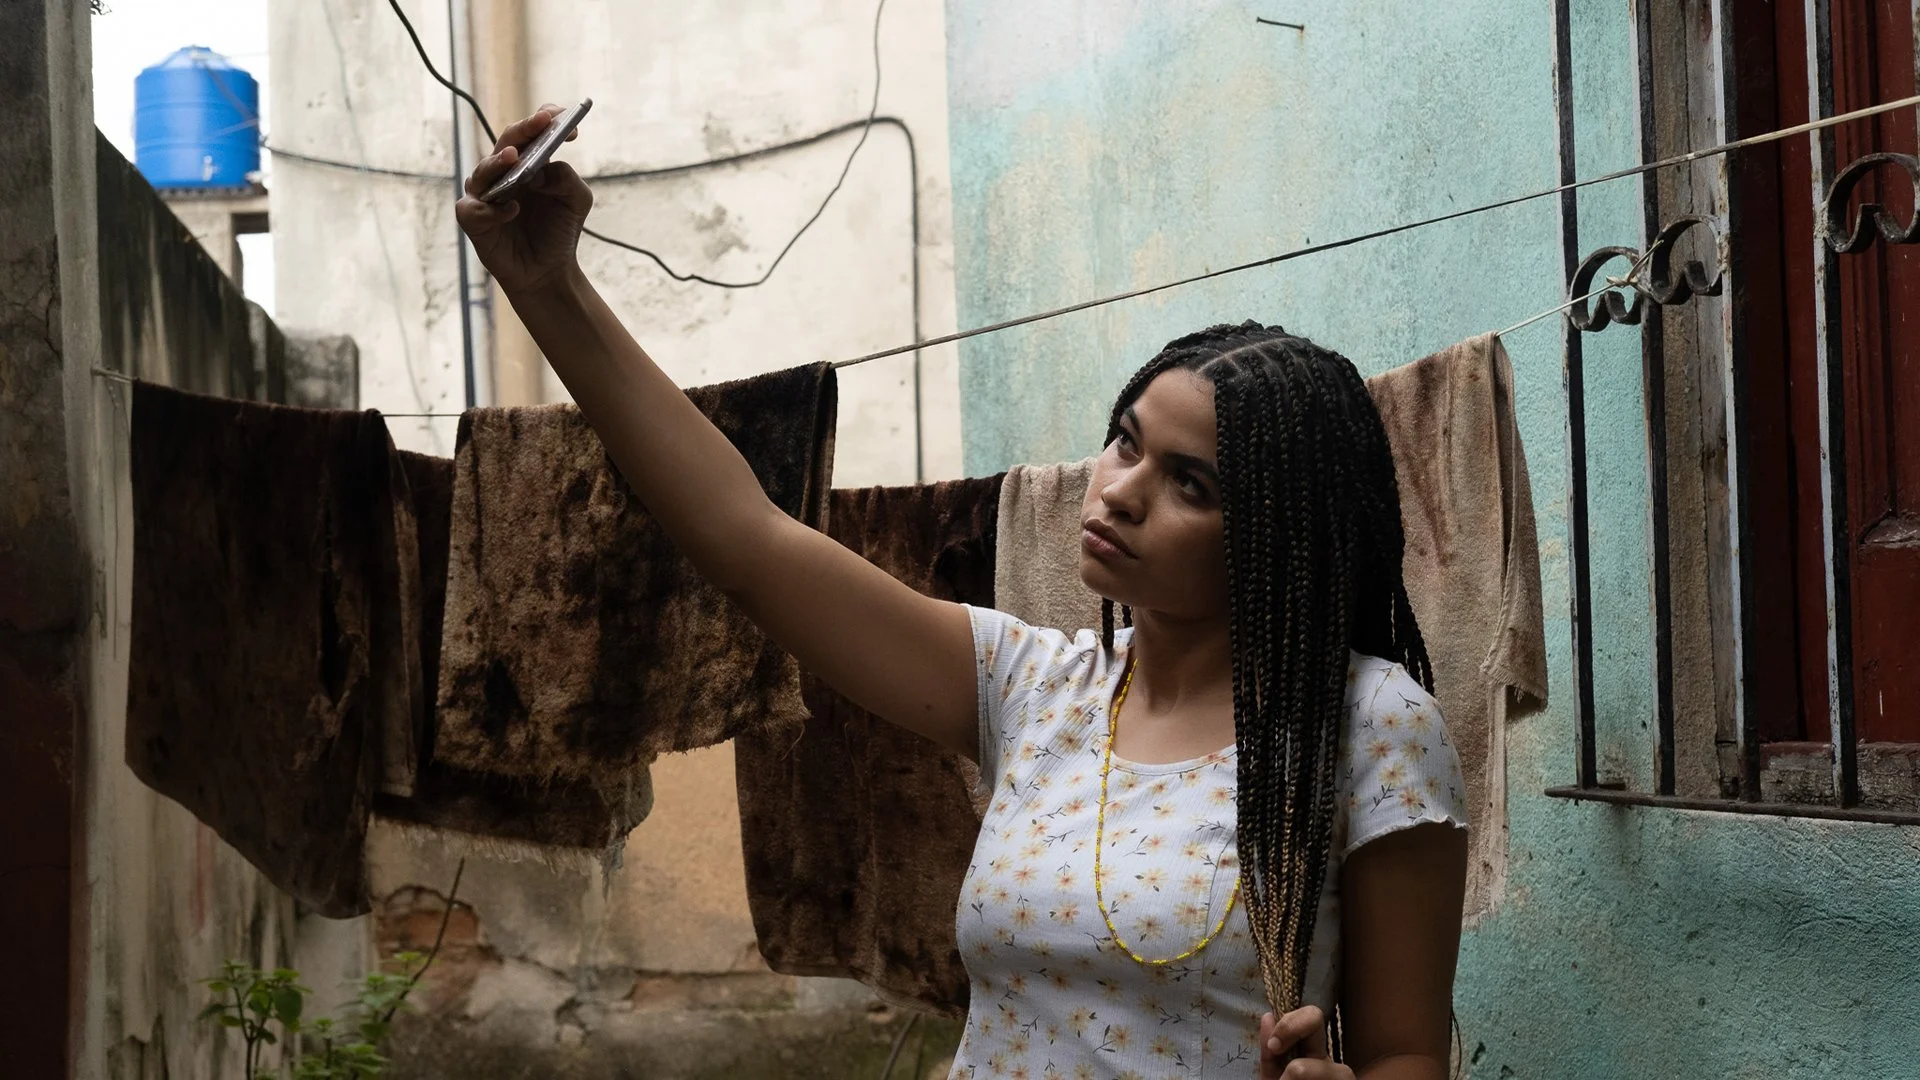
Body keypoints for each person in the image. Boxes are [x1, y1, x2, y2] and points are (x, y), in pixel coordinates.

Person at [456, 106, 1469, 1080]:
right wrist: (548, 286)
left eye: (1188, 484)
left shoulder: (1370, 725)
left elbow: (1408, 1053)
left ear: (1282, 539)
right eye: (1126, 440)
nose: (1119, 490)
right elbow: (749, 539)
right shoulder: (1036, 690)